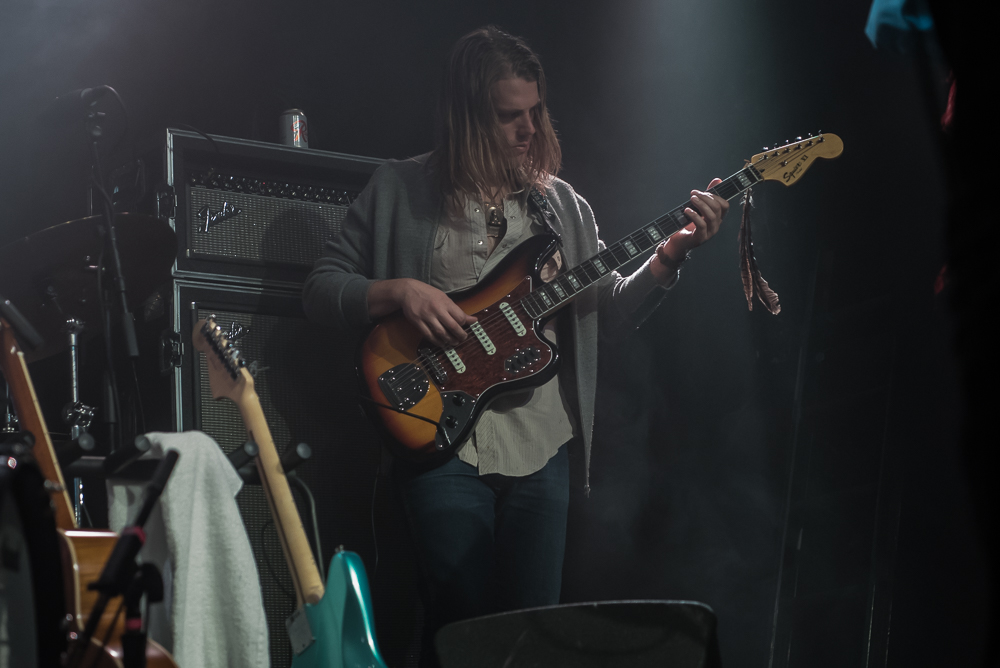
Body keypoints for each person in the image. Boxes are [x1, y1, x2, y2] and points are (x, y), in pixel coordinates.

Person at [303, 25, 728, 663]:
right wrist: (397, 292)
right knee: (458, 621)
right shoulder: (398, 188)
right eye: (509, 116)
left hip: (540, 444)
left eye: (535, 112)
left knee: (533, 637)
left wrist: (670, 254)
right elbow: (320, 289)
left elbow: (602, 307)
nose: (529, 129)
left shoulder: (561, 206)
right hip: (441, 440)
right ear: (467, 117)